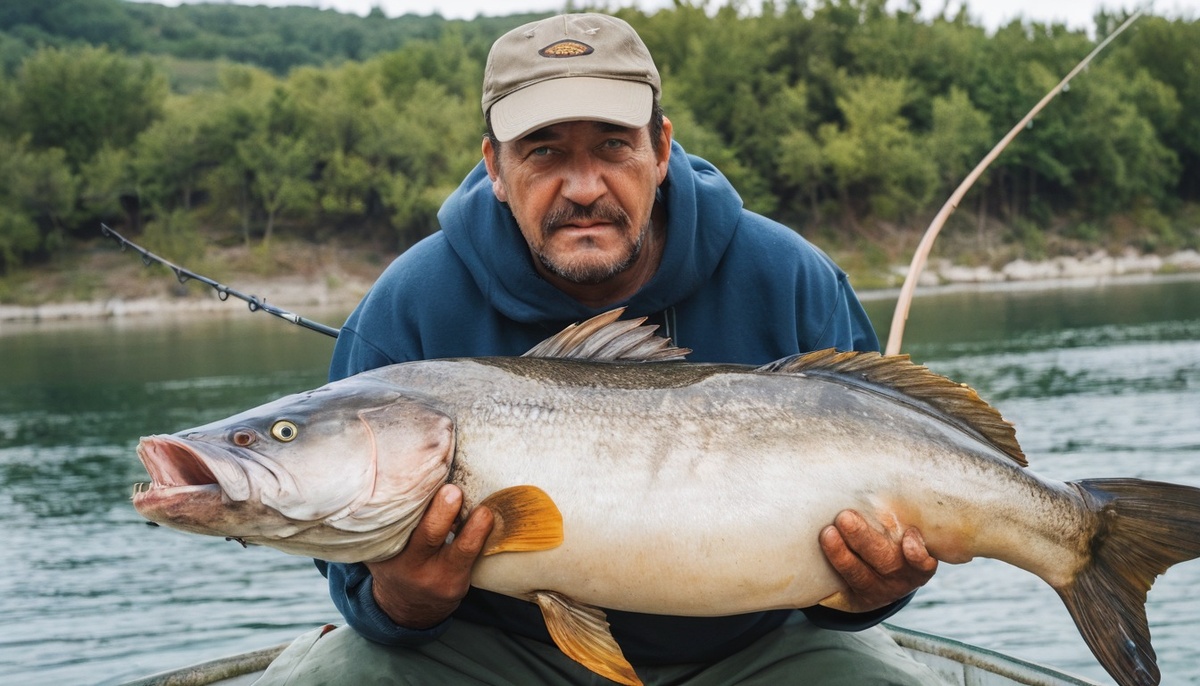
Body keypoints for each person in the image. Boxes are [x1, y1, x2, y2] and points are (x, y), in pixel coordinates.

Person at [257, 12, 941, 685]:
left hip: (754, 650)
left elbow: (868, 583)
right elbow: (352, 583)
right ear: (495, 166)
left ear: (661, 148)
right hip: (499, 654)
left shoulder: (790, 277)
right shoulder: (405, 308)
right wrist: (406, 599)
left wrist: (876, 588)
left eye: (613, 145)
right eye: (545, 150)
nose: (583, 188)